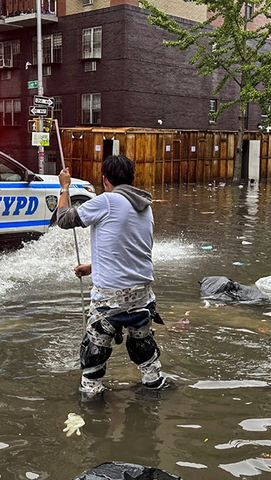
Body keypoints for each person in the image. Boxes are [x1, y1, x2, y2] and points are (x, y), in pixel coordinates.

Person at [57, 155, 165, 396]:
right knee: (144, 349)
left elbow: (63, 220)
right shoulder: (144, 206)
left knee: (93, 354)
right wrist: (94, 267)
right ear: (131, 178)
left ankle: (93, 405)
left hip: (110, 299)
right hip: (143, 297)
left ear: (105, 180)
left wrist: (64, 187)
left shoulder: (106, 201)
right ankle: (154, 386)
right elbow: (130, 250)